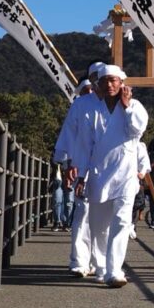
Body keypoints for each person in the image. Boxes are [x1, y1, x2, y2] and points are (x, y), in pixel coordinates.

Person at [71, 65, 148, 287]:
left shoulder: (135, 106)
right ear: (99, 85)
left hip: (125, 174)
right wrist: (81, 176)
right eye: (105, 81)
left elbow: (136, 131)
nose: (110, 85)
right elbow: (85, 146)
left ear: (122, 83)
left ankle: (115, 270)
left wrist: (126, 107)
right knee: (99, 226)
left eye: (114, 80)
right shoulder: (91, 111)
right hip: (98, 173)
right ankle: (102, 266)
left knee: (122, 222)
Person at [54, 66, 104, 276]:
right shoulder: (80, 105)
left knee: (102, 216)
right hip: (82, 166)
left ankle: (99, 262)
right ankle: (79, 261)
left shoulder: (116, 103)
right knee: (82, 212)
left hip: (107, 168)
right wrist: (66, 164)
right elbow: (68, 135)